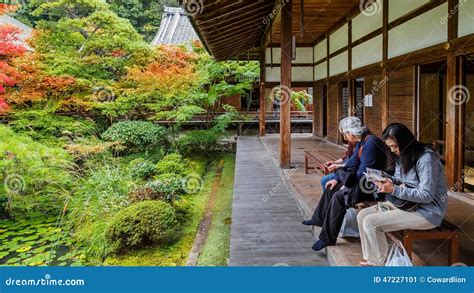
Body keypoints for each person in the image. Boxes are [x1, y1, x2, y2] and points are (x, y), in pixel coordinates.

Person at [357, 123, 448, 266]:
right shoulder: (403, 155)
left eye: (394, 146)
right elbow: (400, 180)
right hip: (407, 205)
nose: (392, 150)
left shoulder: (426, 159)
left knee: (371, 222)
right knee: (362, 215)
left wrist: (393, 189)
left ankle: (377, 263)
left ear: (405, 142)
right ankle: (371, 258)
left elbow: (426, 195)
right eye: (390, 147)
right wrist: (385, 178)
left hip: (427, 212)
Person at [302, 117, 388, 251]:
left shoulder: (371, 143)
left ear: (351, 133)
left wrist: (346, 185)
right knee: (331, 186)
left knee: (339, 196)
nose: (344, 136)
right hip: (362, 181)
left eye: (344, 133)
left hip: (375, 186)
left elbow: (363, 172)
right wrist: (337, 178)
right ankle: (319, 218)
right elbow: (352, 162)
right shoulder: (363, 141)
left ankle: (327, 238)